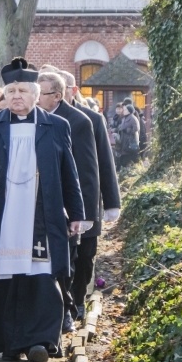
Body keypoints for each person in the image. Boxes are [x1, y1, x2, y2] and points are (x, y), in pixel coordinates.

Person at [0, 57, 87, 362]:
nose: (17, 96)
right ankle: (10, 343)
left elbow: (69, 172)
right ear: (3, 96)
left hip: (42, 213)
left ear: (36, 94)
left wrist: (76, 212)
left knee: (42, 275)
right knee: (5, 276)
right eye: (11, 91)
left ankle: (41, 341)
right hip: (3, 213)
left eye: (23, 90)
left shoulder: (56, 125)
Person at [36, 71, 99, 332]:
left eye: (41, 95)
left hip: (65, 205)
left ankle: (67, 310)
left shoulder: (78, 122)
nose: (36, 100)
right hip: (38, 204)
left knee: (67, 262)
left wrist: (82, 215)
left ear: (58, 96)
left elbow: (86, 172)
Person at [61, 73, 121, 322]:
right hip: (59, 198)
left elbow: (104, 162)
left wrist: (112, 201)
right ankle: (66, 303)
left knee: (85, 254)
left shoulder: (92, 119)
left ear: (71, 90)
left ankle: (80, 298)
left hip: (87, 196)